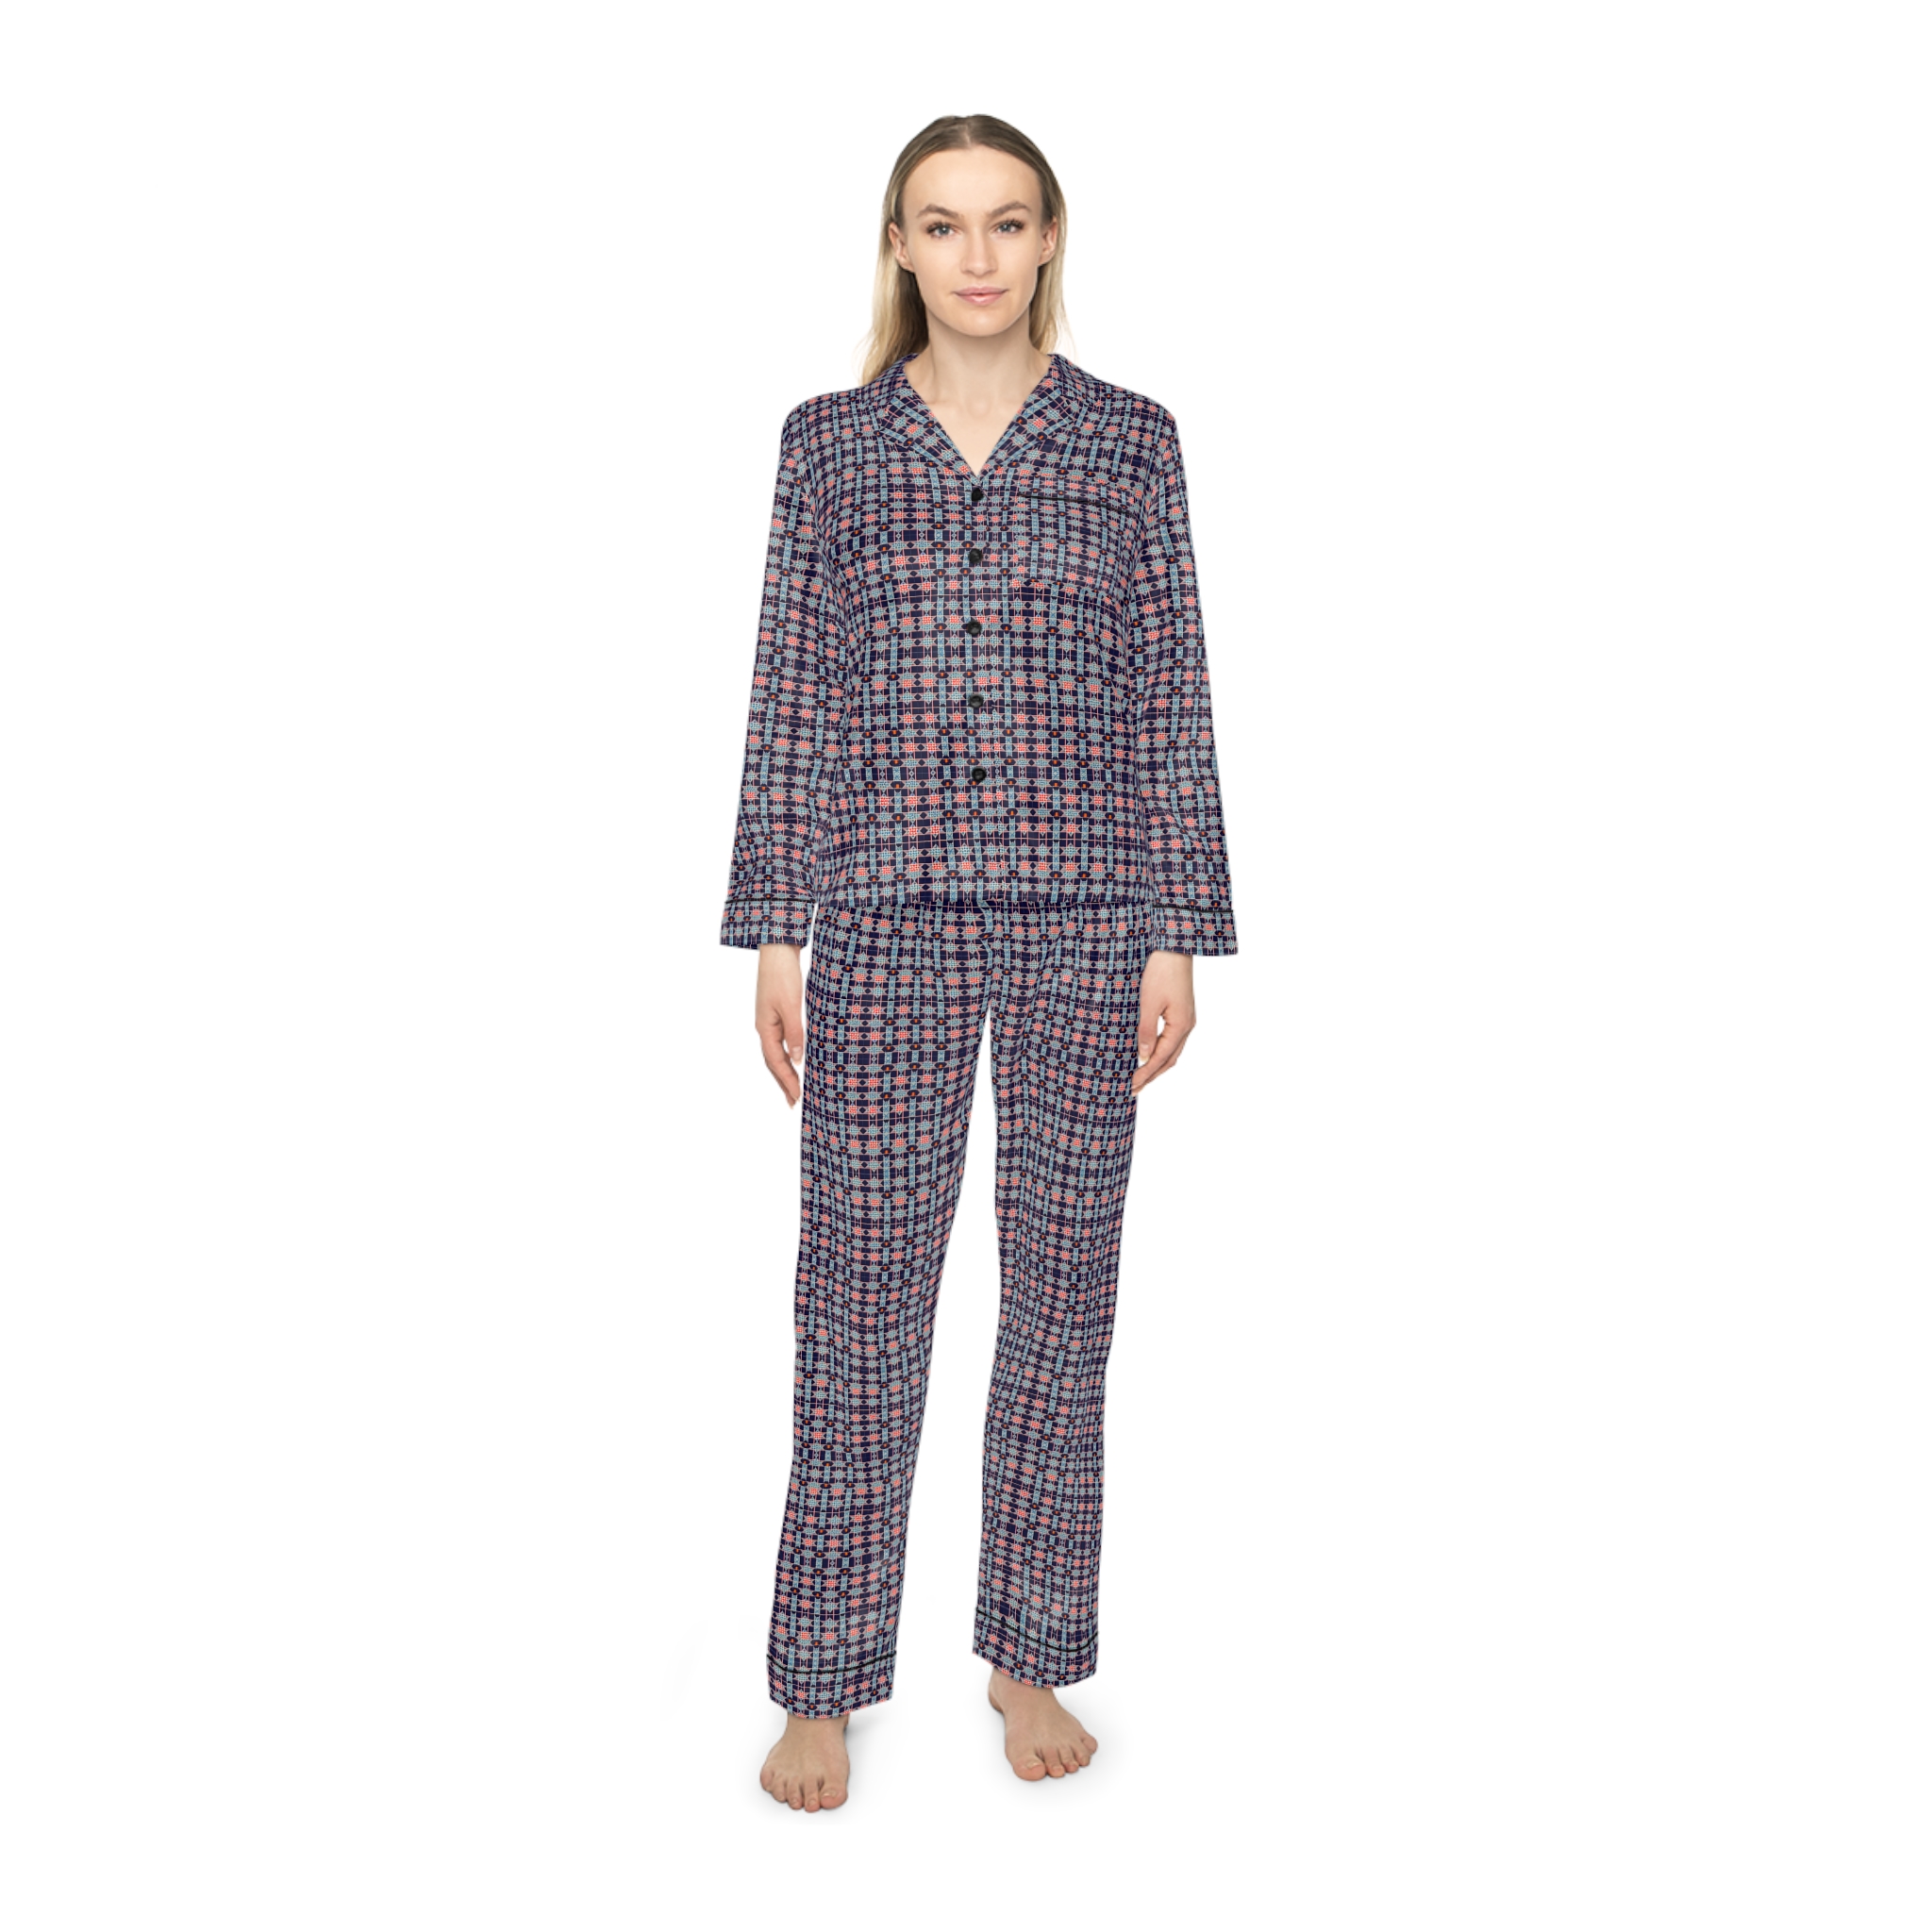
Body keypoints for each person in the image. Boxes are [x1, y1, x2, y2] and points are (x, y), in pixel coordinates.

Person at [720, 112, 1240, 1811]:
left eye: (1007, 222)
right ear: (899, 246)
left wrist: (1179, 927)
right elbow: (794, 688)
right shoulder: (829, 445)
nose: (978, 257)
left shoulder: (1131, 441)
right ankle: (820, 1679)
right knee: (857, 1308)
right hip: (879, 917)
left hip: (1092, 918)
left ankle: (1029, 1652)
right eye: (942, 225)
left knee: (1062, 1304)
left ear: (1049, 236)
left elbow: (1171, 686)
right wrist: (777, 929)